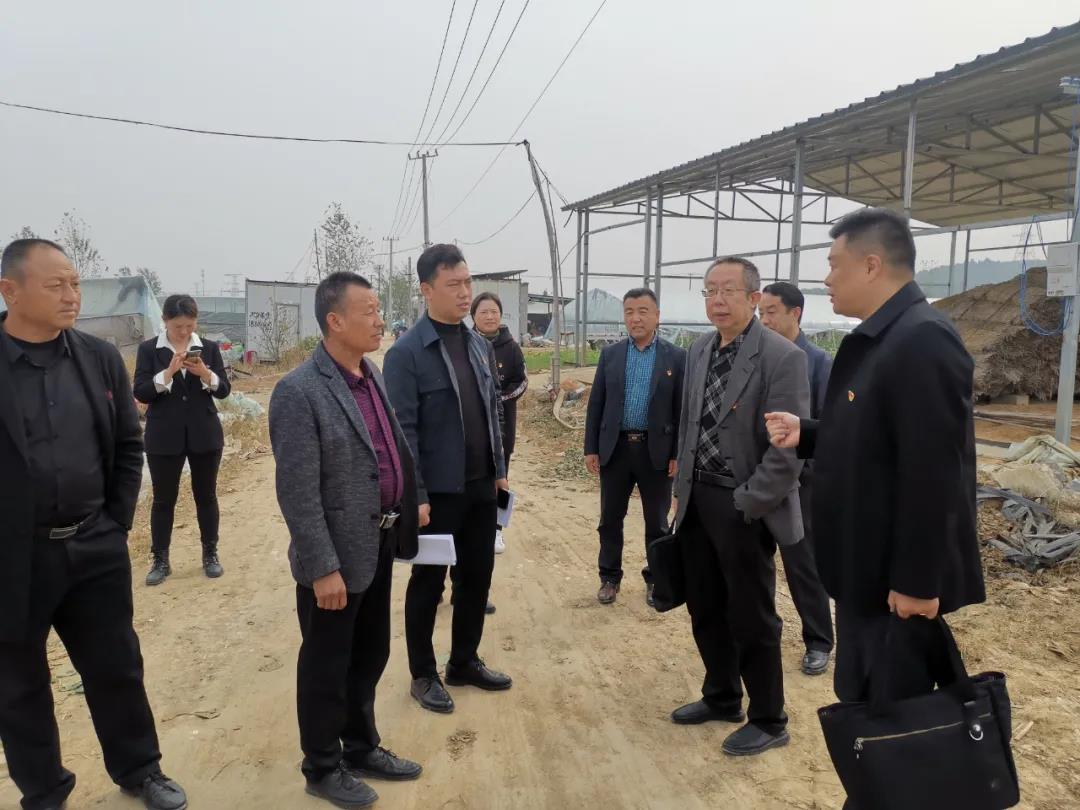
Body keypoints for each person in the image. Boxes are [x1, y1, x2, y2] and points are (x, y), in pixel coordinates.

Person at [765, 209, 984, 720]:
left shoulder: (923, 339)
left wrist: (916, 582)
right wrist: (809, 434)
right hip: (865, 569)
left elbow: (934, 473)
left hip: (892, 584)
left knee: (894, 718)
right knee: (864, 701)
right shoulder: (884, 338)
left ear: (870, 265)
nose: (826, 278)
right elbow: (877, 437)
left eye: (833, 264)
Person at [0, 239, 186, 810]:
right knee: (18, 683)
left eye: (75, 283)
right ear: (10, 291)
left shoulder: (99, 357)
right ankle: (44, 790)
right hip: (14, 558)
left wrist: (114, 524)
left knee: (116, 666)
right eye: (55, 285)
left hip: (94, 544)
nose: (71, 295)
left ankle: (140, 769)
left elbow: (129, 445)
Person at [269, 271, 423, 808]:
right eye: (370, 311)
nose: (381, 321)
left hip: (377, 542)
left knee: (370, 653)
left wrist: (412, 501)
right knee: (326, 665)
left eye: (380, 310)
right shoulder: (298, 391)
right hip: (334, 557)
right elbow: (297, 491)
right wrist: (321, 567)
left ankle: (360, 746)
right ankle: (321, 765)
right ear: (335, 321)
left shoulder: (369, 373)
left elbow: (393, 449)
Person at [669, 257, 809, 757]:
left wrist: (748, 501)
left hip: (743, 501)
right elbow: (689, 426)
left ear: (753, 298)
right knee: (705, 604)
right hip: (697, 498)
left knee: (751, 614)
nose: (717, 300)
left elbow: (787, 449)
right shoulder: (699, 349)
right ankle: (722, 696)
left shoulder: (781, 357)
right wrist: (680, 490)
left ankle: (769, 718)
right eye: (710, 291)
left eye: (728, 290)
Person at [383, 244, 511, 716]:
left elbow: (492, 413)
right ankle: (423, 674)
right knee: (428, 582)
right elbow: (403, 432)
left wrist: (500, 472)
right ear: (426, 289)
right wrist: (414, 494)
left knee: (477, 577)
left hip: (480, 486)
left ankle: (463, 661)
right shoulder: (406, 354)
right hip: (437, 495)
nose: (464, 293)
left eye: (467, 282)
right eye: (453, 284)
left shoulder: (478, 344)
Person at [584, 288, 685, 607]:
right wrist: (591, 447)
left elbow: (681, 409)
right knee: (610, 518)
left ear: (657, 316)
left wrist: (677, 453)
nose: (636, 318)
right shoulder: (611, 354)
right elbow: (596, 403)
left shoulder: (676, 357)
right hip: (615, 449)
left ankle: (655, 579)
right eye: (629, 312)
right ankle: (609, 577)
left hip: (657, 451)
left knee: (657, 521)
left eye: (643, 311)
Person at [759, 282, 835, 676]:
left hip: (801, 481)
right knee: (756, 563)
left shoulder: (818, 363)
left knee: (803, 565)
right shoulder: (758, 359)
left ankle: (818, 641)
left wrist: (805, 471)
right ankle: (761, 635)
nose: (765, 320)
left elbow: (829, 424)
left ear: (796, 313)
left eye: (772, 312)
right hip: (758, 477)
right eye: (761, 313)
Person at [133, 294, 231, 586]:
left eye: (190, 325)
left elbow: (224, 390)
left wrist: (205, 374)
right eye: (178, 326)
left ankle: (210, 554)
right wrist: (169, 373)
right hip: (164, 435)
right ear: (165, 321)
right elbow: (141, 391)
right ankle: (160, 560)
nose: (184, 332)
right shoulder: (149, 350)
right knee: (163, 500)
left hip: (204, 433)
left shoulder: (208, 348)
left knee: (206, 496)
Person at [471, 291, 528, 555]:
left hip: (503, 422)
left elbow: (522, 381)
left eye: (494, 311)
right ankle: (474, 527)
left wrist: (498, 399)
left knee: (501, 476)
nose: (489, 316)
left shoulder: (511, 347)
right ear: (473, 316)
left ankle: (497, 529)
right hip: (473, 421)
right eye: (483, 312)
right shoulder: (466, 343)